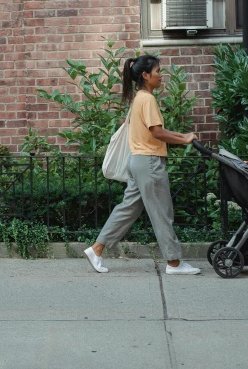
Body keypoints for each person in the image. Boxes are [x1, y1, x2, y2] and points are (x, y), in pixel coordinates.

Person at [84, 55, 201, 275]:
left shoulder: (138, 98)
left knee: (128, 209)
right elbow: (156, 132)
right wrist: (184, 138)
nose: (161, 75)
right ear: (146, 75)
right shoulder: (147, 99)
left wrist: (183, 136)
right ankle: (174, 263)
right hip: (148, 163)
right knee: (162, 212)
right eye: (158, 71)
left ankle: (96, 249)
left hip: (137, 161)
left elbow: (155, 131)